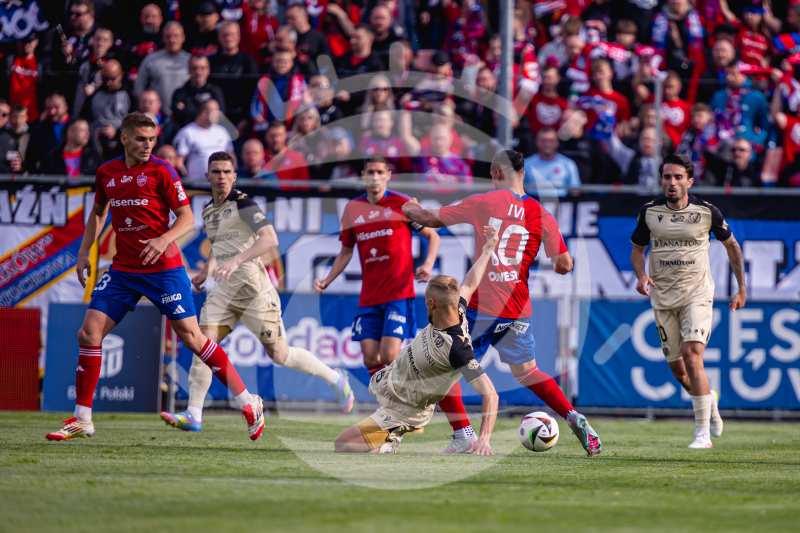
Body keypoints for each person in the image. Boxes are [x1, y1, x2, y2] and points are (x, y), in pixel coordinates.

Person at [46, 112, 264, 441]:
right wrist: (83, 253)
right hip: (124, 269)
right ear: (124, 138)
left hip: (164, 268)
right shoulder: (107, 173)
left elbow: (187, 218)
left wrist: (164, 239)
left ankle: (248, 401)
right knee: (89, 333)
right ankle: (82, 417)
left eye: (152, 140)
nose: (148, 146)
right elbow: (98, 213)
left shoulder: (162, 171)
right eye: (140, 139)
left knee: (192, 338)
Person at [402, 149, 603, 456]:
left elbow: (430, 219)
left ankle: (463, 435)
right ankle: (573, 416)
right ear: (523, 173)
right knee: (527, 371)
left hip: (481, 309)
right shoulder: (541, 214)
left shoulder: (483, 202)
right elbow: (563, 265)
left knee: (442, 370)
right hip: (517, 310)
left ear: (496, 172)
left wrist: (408, 207)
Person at [160, 151, 354, 432]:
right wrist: (207, 270)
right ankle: (194, 414)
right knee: (202, 346)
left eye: (227, 172)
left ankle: (335, 379)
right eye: (216, 172)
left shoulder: (244, 203)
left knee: (280, 354)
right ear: (208, 176)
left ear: (235, 176)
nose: (222, 177)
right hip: (223, 292)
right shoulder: (208, 210)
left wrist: (237, 260)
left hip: (254, 290)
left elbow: (269, 239)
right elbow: (220, 244)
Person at [316, 156, 477, 453]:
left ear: (388, 176)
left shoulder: (402, 205)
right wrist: (327, 279)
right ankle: (391, 416)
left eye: (380, 172)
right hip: (369, 297)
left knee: (392, 354)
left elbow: (432, 235)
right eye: (370, 172)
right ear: (363, 176)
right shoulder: (353, 209)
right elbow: (345, 251)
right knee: (369, 356)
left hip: (398, 294)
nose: (375, 177)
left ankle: (404, 420)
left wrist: (427, 263)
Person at [334, 228, 501, 455]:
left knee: (343, 444)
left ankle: (389, 442)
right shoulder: (458, 309)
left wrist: (484, 439)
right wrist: (488, 250)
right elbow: (470, 283)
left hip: (403, 410)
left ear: (431, 304)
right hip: (394, 389)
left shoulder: (458, 349)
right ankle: (390, 438)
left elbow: (491, 394)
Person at [630, 153, 746, 449]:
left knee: (693, 354)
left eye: (678, 177)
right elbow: (636, 249)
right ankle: (710, 401)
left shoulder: (707, 212)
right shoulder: (649, 213)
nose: (672, 182)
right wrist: (641, 276)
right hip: (663, 298)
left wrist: (742, 288)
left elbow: (732, 247)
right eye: (667, 177)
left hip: (697, 293)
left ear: (689, 181)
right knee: (679, 371)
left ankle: (701, 434)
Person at [134, 21, 191, 116]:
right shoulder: (151, 60)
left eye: (176, 36)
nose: (172, 40)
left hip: (185, 115)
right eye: (168, 36)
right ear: (163, 38)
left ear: (183, 38)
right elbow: (139, 89)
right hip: (156, 117)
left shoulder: (190, 61)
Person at [173, 99, 233, 181]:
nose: (218, 113)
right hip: (198, 187)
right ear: (203, 112)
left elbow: (232, 157)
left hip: (221, 187)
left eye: (218, 110)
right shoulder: (187, 132)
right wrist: (188, 181)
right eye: (213, 110)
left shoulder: (222, 131)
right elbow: (178, 162)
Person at [171, 55, 227, 128]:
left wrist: (188, 111)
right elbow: (177, 118)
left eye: (202, 68)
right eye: (194, 68)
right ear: (189, 70)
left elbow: (220, 116)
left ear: (208, 70)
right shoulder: (179, 93)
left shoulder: (215, 91)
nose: (198, 72)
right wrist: (207, 112)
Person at [523, 127, 581, 197]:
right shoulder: (526, 164)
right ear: (537, 142)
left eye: (551, 141)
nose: (547, 144)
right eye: (543, 140)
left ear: (557, 142)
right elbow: (518, 190)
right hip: (533, 203)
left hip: (562, 204)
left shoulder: (568, 164)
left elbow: (576, 191)